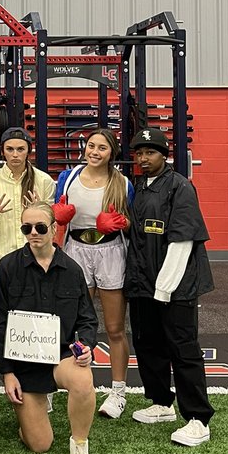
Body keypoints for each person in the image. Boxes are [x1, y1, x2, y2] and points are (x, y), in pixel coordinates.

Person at [0, 202, 101, 454]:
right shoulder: (7, 267)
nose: (33, 233)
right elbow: (0, 323)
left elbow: (87, 319)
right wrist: (7, 372)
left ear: (54, 229)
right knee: (40, 445)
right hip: (25, 366)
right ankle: (29, 419)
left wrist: (86, 345)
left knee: (82, 378)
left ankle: (80, 447)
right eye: (26, 228)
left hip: (59, 359)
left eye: (40, 227)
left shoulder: (73, 270)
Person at [125, 127, 215, 446]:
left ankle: (198, 418)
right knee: (148, 343)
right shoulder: (138, 187)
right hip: (142, 284)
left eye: (150, 152)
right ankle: (162, 403)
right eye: (139, 153)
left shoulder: (180, 187)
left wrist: (164, 288)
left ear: (164, 155)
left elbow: (184, 239)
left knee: (183, 348)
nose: (143, 158)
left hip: (174, 287)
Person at [53, 128, 133, 418]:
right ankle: (55, 385)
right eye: (91, 146)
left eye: (102, 148)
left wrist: (120, 223)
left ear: (112, 153)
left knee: (114, 328)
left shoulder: (122, 182)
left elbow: (131, 223)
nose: (95, 152)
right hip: (75, 250)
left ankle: (118, 392)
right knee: (68, 323)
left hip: (111, 252)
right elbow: (53, 213)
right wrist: (56, 216)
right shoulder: (68, 178)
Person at [0, 126, 55, 276]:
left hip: (37, 260)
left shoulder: (44, 181)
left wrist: (39, 213)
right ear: (2, 151)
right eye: (10, 149)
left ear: (29, 150)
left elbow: (51, 230)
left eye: (20, 149)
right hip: (2, 260)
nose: (15, 154)